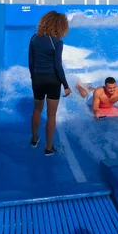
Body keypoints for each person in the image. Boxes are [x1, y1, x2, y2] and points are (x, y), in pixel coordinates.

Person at [28, 11, 71, 155]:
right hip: (53, 81)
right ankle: (48, 148)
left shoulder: (34, 38)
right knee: (51, 115)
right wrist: (65, 85)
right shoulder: (57, 42)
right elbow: (58, 66)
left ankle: (34, 139)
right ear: (60, 25)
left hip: (38, 79)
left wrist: (34, 78)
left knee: (37, 110)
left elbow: (31, 62)